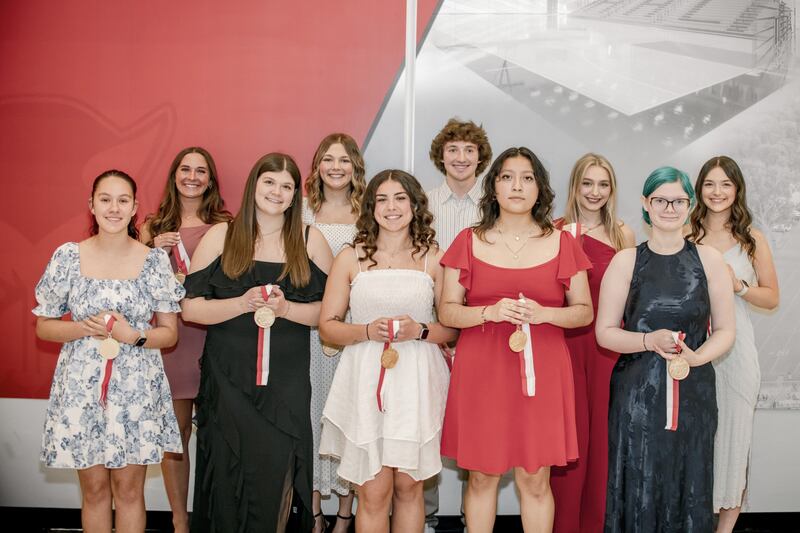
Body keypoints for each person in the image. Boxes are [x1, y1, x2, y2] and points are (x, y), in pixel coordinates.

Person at [438, 147, 594, 533]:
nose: (517, 186)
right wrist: (487, 313)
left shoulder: (562, 243)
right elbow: (447, 312)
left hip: (542, 372)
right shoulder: (468, 241)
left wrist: (544, 314)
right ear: (493, 187)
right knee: (482, 477)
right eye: (507, 177)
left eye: (527, 178)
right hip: (481, 370)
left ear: (540, 189)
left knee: (535, 479)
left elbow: (584, 312)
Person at [181, 153, 333, 532]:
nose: (277, 192)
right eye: (269, 182)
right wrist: (240, 303)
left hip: (284, 384)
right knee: (224, 481)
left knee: (276, 477)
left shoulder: (310, 240)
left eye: (286, 186)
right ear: (254, 185)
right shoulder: (221, 235)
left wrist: (285, 311)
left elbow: (328, 314)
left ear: (296, 194)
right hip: (227, 380)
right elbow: (190, 309)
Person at [34, 170, 184, 533]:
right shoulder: (68, 257)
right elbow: (44, 326)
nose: (113, 208)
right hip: (82, 391)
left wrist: (135, 335)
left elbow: (170, 334)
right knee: (96, 490)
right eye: (105, 199)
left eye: (122, 200)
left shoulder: (152, 262)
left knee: (129, 490)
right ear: (91, 205)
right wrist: (82, 327)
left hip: (135, 392)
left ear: (134, 207)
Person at [595, 166, 736, 532]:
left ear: (690, 205)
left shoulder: (709, 261)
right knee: (639, 479)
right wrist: (647, 340)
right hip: (636, 397)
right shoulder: (626, 261)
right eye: (661, 199)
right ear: (646, 204)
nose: (669, 208)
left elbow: (725, 330)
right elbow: (605, 333)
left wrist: (698, 357)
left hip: (694, 391)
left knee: (690, 480)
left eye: (678, 200)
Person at [318, 169, 456, 533]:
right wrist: (365, 330)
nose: (391, 207)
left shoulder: (434, 258)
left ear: (414, 205)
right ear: (370, 207)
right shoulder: (351, 257)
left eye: (400, 198)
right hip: (365, 376)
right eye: (382, 199)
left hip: (417, 378)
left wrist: (419, 330)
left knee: (408, 488)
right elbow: (328, 325)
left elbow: (451, 327)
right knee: (373, 490)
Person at [139, 147, 232, 533]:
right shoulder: (151, 225)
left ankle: (217, 517)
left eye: (201, 171)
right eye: (185, 169)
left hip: (214, 336)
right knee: (176, 434)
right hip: (172, 340)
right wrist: (148, 253)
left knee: (221, 434)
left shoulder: (226, 224)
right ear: (174, 175)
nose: (192, 176)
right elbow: (134, 288)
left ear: (210, 180)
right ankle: (180, 522)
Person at [688, 156, 779, 533]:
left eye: (726, 184)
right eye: (710, 184)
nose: (717, 192)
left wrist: (738, 285)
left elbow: (772, 297)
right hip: (693, 355)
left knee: (734, 441)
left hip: (738, 357)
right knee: (697, 442)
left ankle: (724, 530)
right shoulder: (685, 235)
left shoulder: (752, 238)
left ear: (737, 189)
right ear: (699, 190)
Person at [550, 153, 635, 533]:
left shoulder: (623, 235)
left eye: (603, 184)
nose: (595, 192)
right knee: (568, 447)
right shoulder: (553, 231)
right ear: (575, 186)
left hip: (607, 351)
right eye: (588, 183)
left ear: (611, 189)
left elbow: (633, 300)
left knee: (603, 445)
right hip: (566, 347)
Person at [424, 116, 492, 532]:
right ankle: (428, 517)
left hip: (483, 327)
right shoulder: (425, 204)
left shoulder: (495, 205)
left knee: (475, 424)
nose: (461, 157)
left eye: (469, 150)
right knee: (430, 421)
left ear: (480, 157)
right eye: (453, 150)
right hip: (431, 326)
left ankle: (474, 517)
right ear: (441, 157)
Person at [302, 133, 365, 533]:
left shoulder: (370, 213)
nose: (336, 167)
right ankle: (311, 513)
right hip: (307, 334)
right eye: (328, 159)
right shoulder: (302, 212)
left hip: (355, 335)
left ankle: (345, 514)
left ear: (355, 166)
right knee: (308, 418)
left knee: (349, 419)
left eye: (344, 160)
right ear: (318, 165)